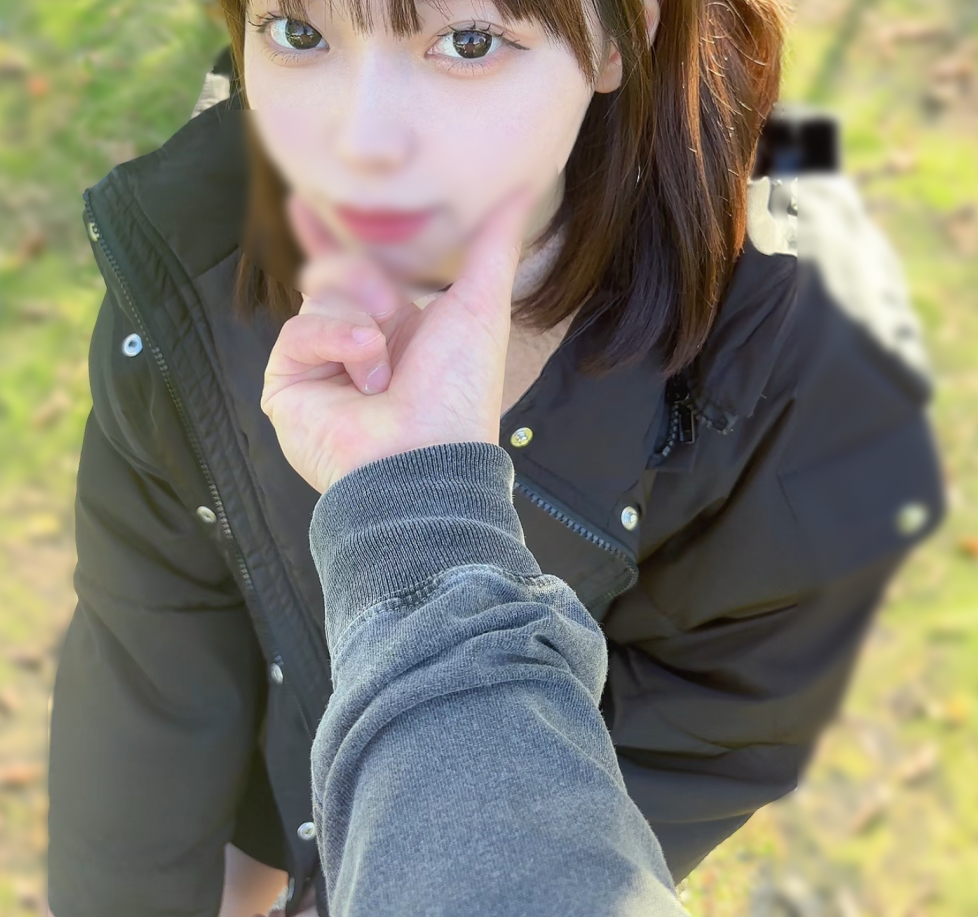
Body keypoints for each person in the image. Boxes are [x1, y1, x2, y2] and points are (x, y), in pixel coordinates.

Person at [47, 0, 944, 917]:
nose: (358, 141)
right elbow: (144, 670)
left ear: (625, 28)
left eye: (467, 39)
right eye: (299, 30)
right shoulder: (185, 270)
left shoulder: (791, 373)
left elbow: (696, 738)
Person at [266, 187, 687, 916]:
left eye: (468, 60)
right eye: (301, 59)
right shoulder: (195, 248)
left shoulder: (776, 374)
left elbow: (717, 732)